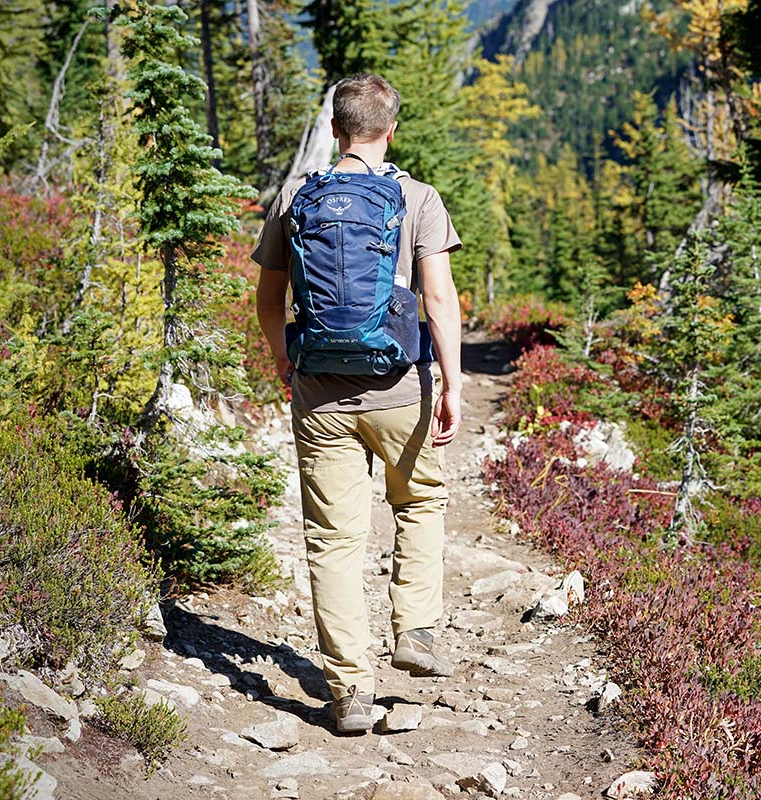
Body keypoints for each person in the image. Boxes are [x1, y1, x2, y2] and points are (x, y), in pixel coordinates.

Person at [252, 73, 463, 734]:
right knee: (420, 500)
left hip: (320, 392)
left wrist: (283, 358)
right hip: (401, 384)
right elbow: (438, 298)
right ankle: (417, 631)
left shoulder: (295, 195)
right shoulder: (417, 197)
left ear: (336, 129)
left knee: (335, 541)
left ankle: (348, 693)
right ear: (390, 129)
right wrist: (453, 382)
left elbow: (267, 298)